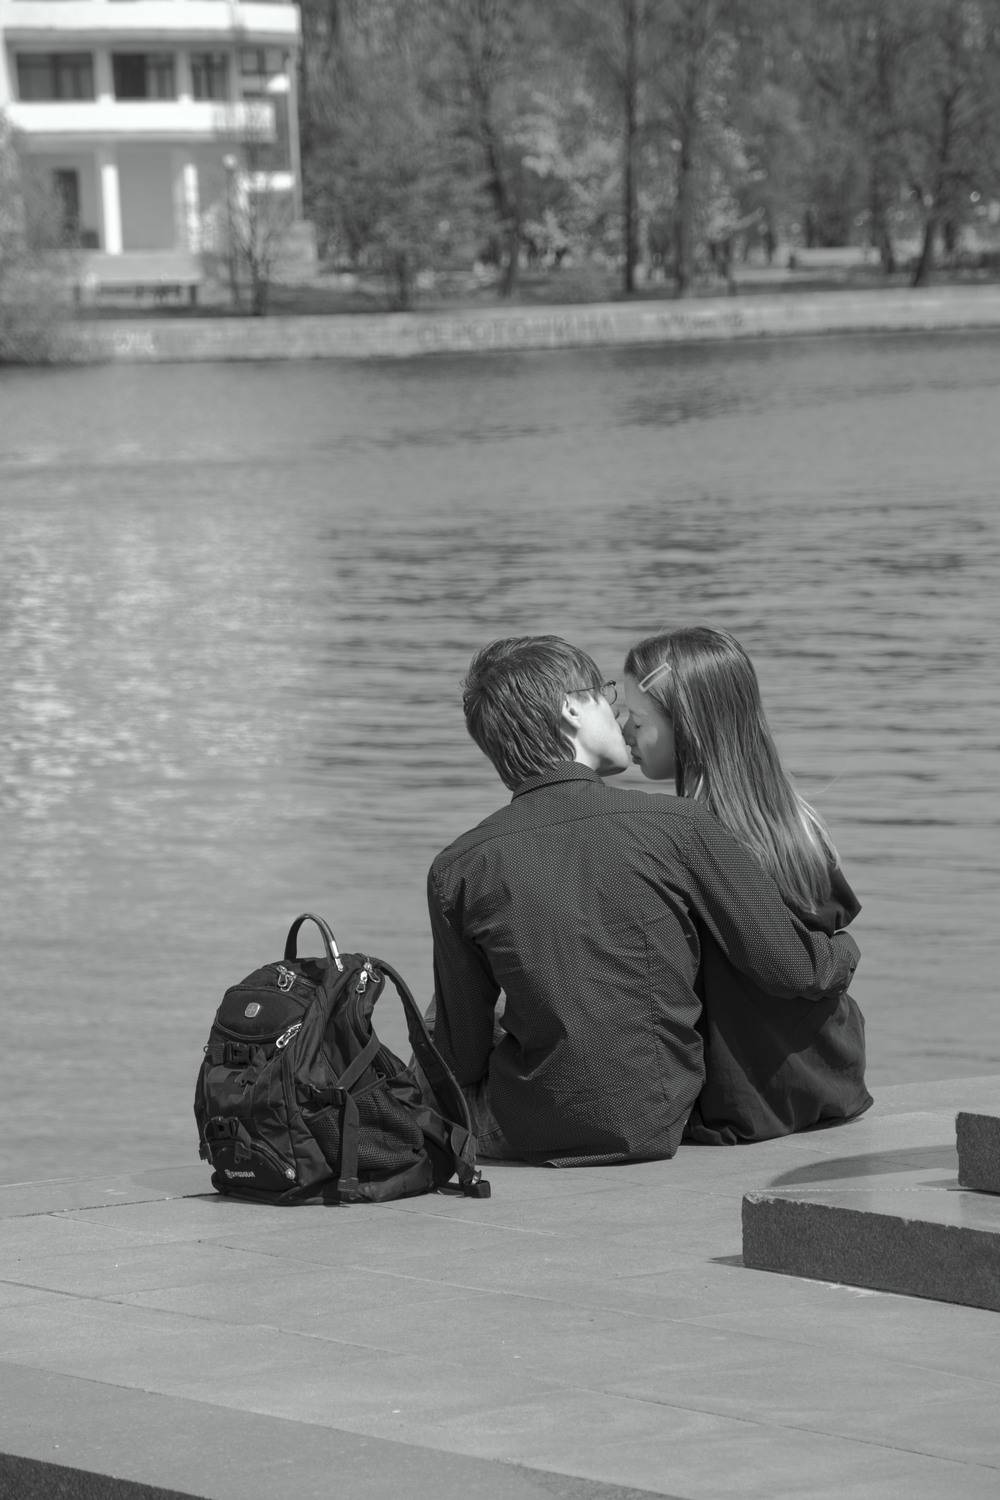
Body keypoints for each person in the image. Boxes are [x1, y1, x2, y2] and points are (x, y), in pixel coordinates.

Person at [426, 635, 860, 1167]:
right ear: (571, 709)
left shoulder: (458, 865)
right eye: (608, 696)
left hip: (529, 1124)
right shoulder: (677, 825)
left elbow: (461, 1055)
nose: (618, 714)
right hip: (663, 1114)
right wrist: (846, 950)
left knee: (452, 1008)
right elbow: (790, 965)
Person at [621, 625, 872, 1145]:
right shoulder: (798, 821)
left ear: (687, 727)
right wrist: (844, 951)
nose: (623, 729)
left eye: (638, 720)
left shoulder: (695, 837)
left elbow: (783, 964)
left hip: (753, 1100)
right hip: (831, 1080)